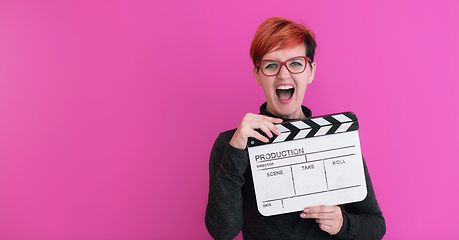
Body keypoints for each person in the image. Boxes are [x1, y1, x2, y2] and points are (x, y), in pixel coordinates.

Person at [205, 16, 386, 240]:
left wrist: (342, 223)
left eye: (296, 63)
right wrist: (235, 151)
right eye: (271, 65)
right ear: (258, 75)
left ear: (311, 71)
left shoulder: (336, 137)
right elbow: (222, 232)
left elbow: (375, 224)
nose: (283, 74)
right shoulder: (231, 144)